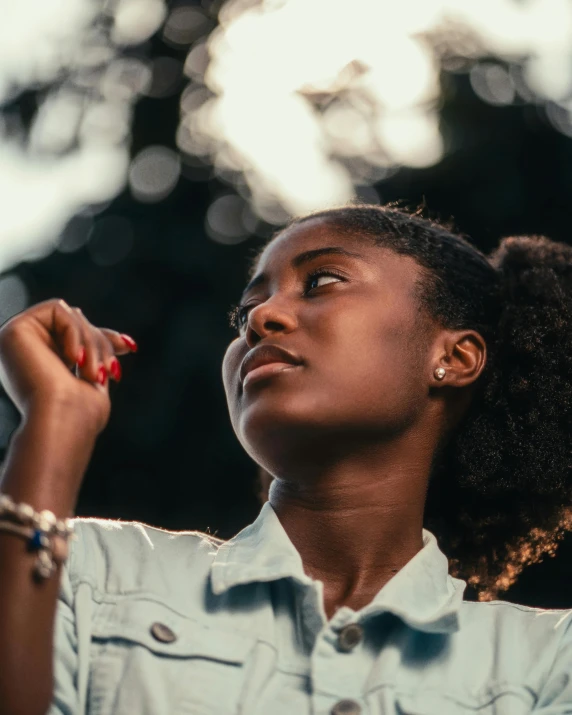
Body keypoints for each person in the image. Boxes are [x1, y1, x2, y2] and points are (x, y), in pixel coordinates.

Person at [1, 205, 572, 715]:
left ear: (453, 356)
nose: (260, 318)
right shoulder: (87, 572)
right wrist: (53, 423)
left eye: (321, 280)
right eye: (245, 309)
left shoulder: (547, 664)